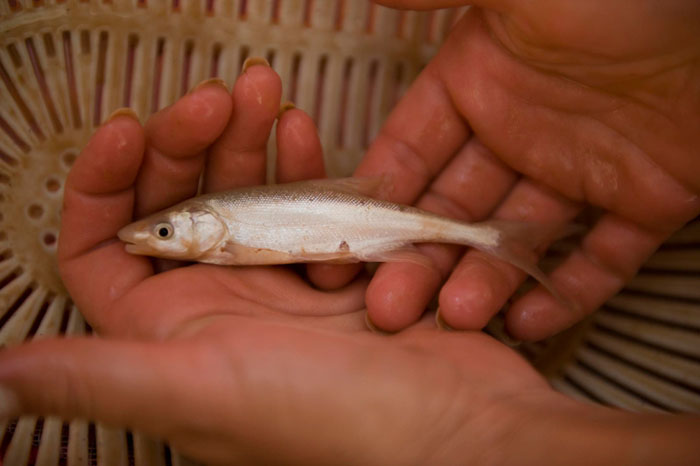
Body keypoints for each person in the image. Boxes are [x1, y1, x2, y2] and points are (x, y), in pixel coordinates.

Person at [1, 1, 698, 464]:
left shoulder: (223, 231)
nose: (152, 237)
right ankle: (493, 236)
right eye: (161, 234)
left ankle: (492, 236)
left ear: (200, 227)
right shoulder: (222, 231)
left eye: (162, 231)